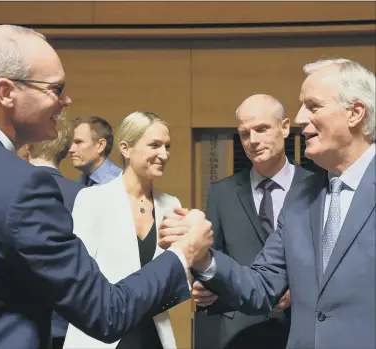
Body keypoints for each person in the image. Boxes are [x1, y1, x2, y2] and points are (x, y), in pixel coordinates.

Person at [0, 24, 213, 349]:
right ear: (5, 92)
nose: (66, 100)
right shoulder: (23, 186)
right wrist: (185, 251)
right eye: (55, 88)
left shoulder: (170, 202)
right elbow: (104, 311)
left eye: (167, 146)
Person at [161, 58, 376, 349]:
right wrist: (201, 256)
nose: (300, 118)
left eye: (313, 106)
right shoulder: (301, 197)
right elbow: (260, 287)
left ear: (355, 113)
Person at [196, 94, 311, 349]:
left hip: (300, 327)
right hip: (240, 330)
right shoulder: (222, 192)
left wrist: (299, 290)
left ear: (284, 127)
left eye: (261, 129)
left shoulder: (315, 187)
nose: (253, 141)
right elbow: (213, 257)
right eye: (244, 133)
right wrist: (204, 285)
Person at [64, 111, 182, 349]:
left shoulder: (171, 205)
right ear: (126, 149)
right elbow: (78, 279)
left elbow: (175, 281)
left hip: (154, 336)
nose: (164, 154)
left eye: (167, 146)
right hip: (100, 336)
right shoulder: (91, 199)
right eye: (154, 145)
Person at [17, 116, 85, 349]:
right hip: (72, 323)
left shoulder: (8, 190)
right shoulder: (84, 197)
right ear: (66, 151)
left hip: (17, 323)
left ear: (26, 146)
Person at [69, 116, 122, 186]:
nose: (71, 150)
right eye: (71, 143)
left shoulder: (119, 182)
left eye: (79, 142)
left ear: (101, 145)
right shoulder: (82, 181)